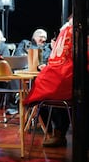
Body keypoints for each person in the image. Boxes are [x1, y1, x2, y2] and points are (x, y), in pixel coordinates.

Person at [24, 15, 73, 147]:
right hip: (57, 74)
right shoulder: (26, 45)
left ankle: (58, 132)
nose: (42, 40)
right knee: (46, 96)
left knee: (50, 93)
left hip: (66, 78)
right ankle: (56, 132)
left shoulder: (69, 32)